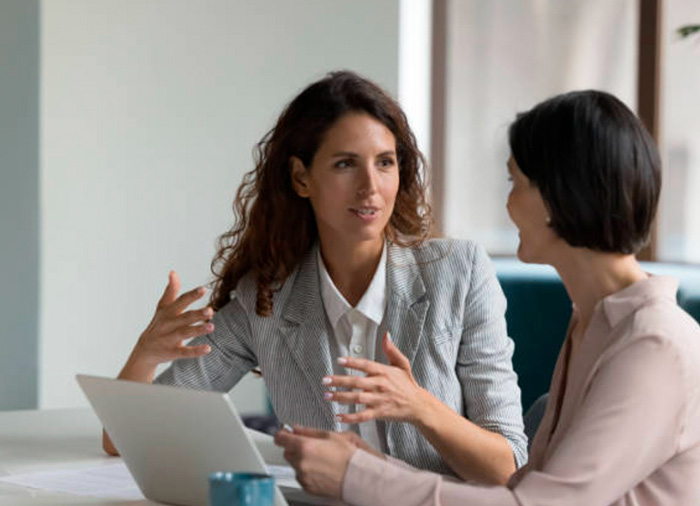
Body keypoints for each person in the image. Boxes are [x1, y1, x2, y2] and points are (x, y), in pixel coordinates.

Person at [274, 89, 700, 505]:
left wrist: (358, 477)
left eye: (516, 182)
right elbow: (521, 488)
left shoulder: (653, 344)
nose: (508, 203)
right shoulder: (591, 324)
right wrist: (371, 465)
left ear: (559, 196)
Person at [102, 70, 527, 483]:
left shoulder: (460, 272)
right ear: (301, 178)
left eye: (385, 162)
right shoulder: (265, 299)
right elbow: (125, 440)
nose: (370, 186)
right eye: (345, 164)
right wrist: (146, 355)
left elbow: (507, 466)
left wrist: (418, 406)